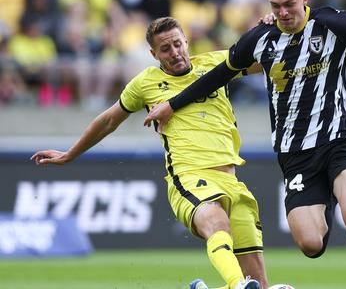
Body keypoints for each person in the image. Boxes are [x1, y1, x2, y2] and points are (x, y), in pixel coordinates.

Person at [143, 0, 346, 289]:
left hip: (337, 138)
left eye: (289, 4)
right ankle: (331, 190)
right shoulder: (259, 39)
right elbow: (215, 77)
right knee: (311, 245)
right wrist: (172, 105)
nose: (283, 12)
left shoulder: (330, 23)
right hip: (294, 153)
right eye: (275, 6)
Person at [31, 17, 267, 289]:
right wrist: (70, 153)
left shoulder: (216, 64)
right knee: (216, 223)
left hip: (232, 180)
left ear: (187, 42)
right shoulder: (146, 83)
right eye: (165, 49)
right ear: (153, 54)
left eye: (178, 44)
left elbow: (266, 61)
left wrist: (273, 27)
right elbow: (109, 120)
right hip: (188, 177)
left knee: (259, 280)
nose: (175, 52)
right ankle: (236, 284)